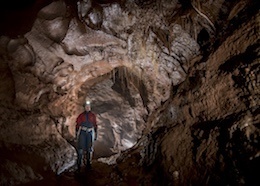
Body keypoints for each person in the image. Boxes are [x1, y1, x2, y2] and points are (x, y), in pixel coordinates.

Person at [75, 100, 97, 171]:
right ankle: (79, 163)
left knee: (89, 148)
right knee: (81, 148)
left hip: (90, 132)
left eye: (88, 107)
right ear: (85, 107)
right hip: (83, 132)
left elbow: (95, 124)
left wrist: (96, 133)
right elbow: (78, 124)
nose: (87, 108)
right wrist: (76, 133)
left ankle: (88, 163)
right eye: (86, 107)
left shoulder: (93, 116)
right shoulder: (81, 115)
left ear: (90, 107)